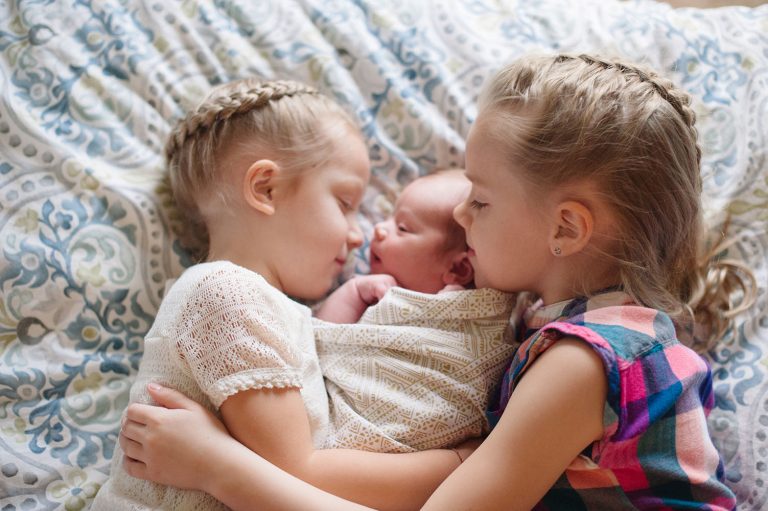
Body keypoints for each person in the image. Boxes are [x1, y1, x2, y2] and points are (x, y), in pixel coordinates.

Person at [116, 54, 755, 510]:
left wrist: (218, 466)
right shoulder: (557, 333)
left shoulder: (585, 362)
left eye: (479, 200)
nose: (457, 215)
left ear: (565, 228)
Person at [93, 78, 514, 511]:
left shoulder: (270, 308)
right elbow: (303, 471)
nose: (358, 235)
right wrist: (465, 462)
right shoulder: (223, 293)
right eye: (345, 203)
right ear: (266, 189)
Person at [315, 170, 519, 452]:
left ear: (458, 269)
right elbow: (318, 342)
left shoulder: (471, 312)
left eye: (403, 228)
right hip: (344, 419)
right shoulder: (370, 292)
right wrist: (352, 292)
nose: (379, 229)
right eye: (390, 217)